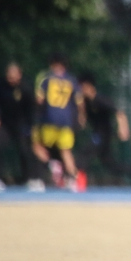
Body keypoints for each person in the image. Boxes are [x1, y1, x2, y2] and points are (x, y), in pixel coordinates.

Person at [32, 53, 84, 187]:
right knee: (66, 151)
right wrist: (81, 116)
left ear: (52, 64)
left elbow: (39, 100)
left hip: (50, 119)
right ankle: (73, 179)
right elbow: (79, 102)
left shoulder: (46, 78)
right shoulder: (72, 80)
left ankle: (44, 174)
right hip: (66, 121)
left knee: (38, 146)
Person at [0, 61, 39, 190]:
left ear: (19, 75)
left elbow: (31, 110)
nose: (11, 79)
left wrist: (32, 127)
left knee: (25, 150)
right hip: (6, 124)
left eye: (13, 76)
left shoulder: (26, 88)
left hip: (22, 124)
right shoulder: (1, 86)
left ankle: (30, 178)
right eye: (9, 76)